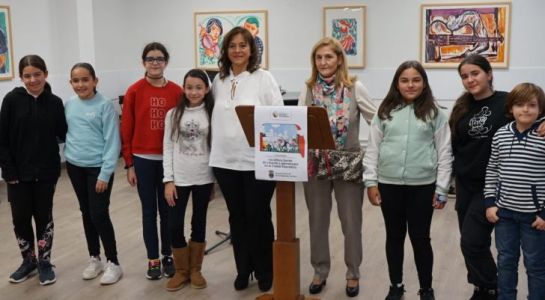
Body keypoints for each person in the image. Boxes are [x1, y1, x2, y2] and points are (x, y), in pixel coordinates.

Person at [363, 60, 452, 300]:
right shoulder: (384, 111)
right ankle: (396, 285)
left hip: (422, 186)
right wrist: (370, 182)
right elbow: (372, 149)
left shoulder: (435, 113)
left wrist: (442, 187)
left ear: (424, 83)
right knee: (394, 237)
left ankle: (426, 288)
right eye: (404, 80)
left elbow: (445, 152)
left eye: (416, 80)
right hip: (389, 185)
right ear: (397, 83)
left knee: (420, 238)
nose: (410, 85)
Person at [297, 37, 376, 298]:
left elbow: (376, 121)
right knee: (317, 222)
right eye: (318, 58)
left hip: (348, 163)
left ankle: (353, 272)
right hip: (316, 164)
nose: (323, 62)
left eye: (328, 57)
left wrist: (372, 154)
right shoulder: (308, 89)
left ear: (339, 59)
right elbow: (298, 126)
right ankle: (320, 271)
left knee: (351, 223)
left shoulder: (355, 88)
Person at [209, 26, 283, 292]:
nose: (237, 50)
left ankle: (265, 269)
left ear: (252, 50)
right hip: (224, 161)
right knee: (236, 218)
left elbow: (278, 117)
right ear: (225, 51)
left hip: (256, 161)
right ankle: (243, 269)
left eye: (243, 45)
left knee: (259, 216)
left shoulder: (264, 78)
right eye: (232, 46)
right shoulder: (219, 81)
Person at [0, 54, 67, 285]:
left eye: (37, 74)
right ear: (21, 77)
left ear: (45, 75)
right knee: (20, 218)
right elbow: (3, 139)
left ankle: (45, 262)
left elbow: (62, 133)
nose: (32, 79)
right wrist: (8, 171)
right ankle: (28, 261)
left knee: (43, 218)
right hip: (17, 174)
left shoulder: (55, 102)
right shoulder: (11, 100)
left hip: (47, 172)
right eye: (27, 76)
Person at [121, 42, 183, 280]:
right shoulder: (134, 91)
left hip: (169, 161)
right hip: (143, 159)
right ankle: (153, 259)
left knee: (168, 211)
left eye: (159, 58)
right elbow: (126, 128)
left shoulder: (177, 91)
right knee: (149, 212)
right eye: (150, 58)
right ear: (143, 62)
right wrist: (129, 164)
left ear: (166, 62)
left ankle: (168, 255)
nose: (155, 62)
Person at [448, 54, 508, 300]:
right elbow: (454, 147)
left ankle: (492, 286)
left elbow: (535, 111)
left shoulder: (507, 102)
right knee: (472, 242)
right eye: (464, 76)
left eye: (475, 73)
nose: (470, 79)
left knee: (471, 242)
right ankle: (481, 287)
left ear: (489, 74)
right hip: (465, 185)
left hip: (492, 186)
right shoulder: (461, 107)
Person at [483, 82, 545, 300]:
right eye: (520, 104)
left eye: (532, 105)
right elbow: (492, 169)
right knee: (506, 261)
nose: (526, 110)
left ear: (540, 109)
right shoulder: (500, 135)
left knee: (535, 265)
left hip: (534, 217)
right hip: (505, 214)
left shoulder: (543, 135)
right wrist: (490, 202)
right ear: (511, 108)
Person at [64, 62, 123, 285]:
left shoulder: (104, 106)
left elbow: (112, 142)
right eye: (76, 81)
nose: (81, 84)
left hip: (98, 168)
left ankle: (114, 262)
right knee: (86, 213)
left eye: (85, 79)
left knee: (99, 214)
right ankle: (94, 258)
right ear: (71, 83)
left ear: (95, 80)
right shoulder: (69, 104)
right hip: (74, 166)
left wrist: (105, 174)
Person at [163, 69, 214, 291]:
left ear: (206, 89)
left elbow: (216, 148)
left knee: (198, 223)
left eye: (198, 87)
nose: (193, 92)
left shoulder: (212, 113)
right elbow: (167, 147)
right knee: (174, 225)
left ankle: (195, 270)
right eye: (189, 87)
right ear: (183, 89)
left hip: (204, 177)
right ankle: (181, 270)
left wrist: (215, 180)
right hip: (179, 179)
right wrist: (168, 180)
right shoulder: (173, 114)